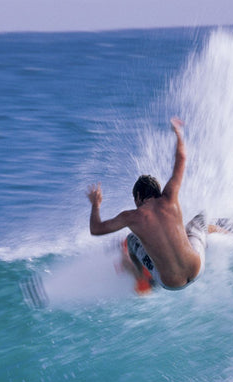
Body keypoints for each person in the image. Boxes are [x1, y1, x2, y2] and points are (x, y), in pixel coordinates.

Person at [87, 117, 209, 291]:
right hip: (197, 268)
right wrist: (178, 133)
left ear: (138, 196)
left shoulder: (131, 217)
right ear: (157, 192)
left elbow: (96, 229)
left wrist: (95, 204)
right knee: (200, 219)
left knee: (131, 241)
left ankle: (141, 278)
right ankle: (224, 233)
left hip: (170, 284)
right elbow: (181, 157)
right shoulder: (170, 197)